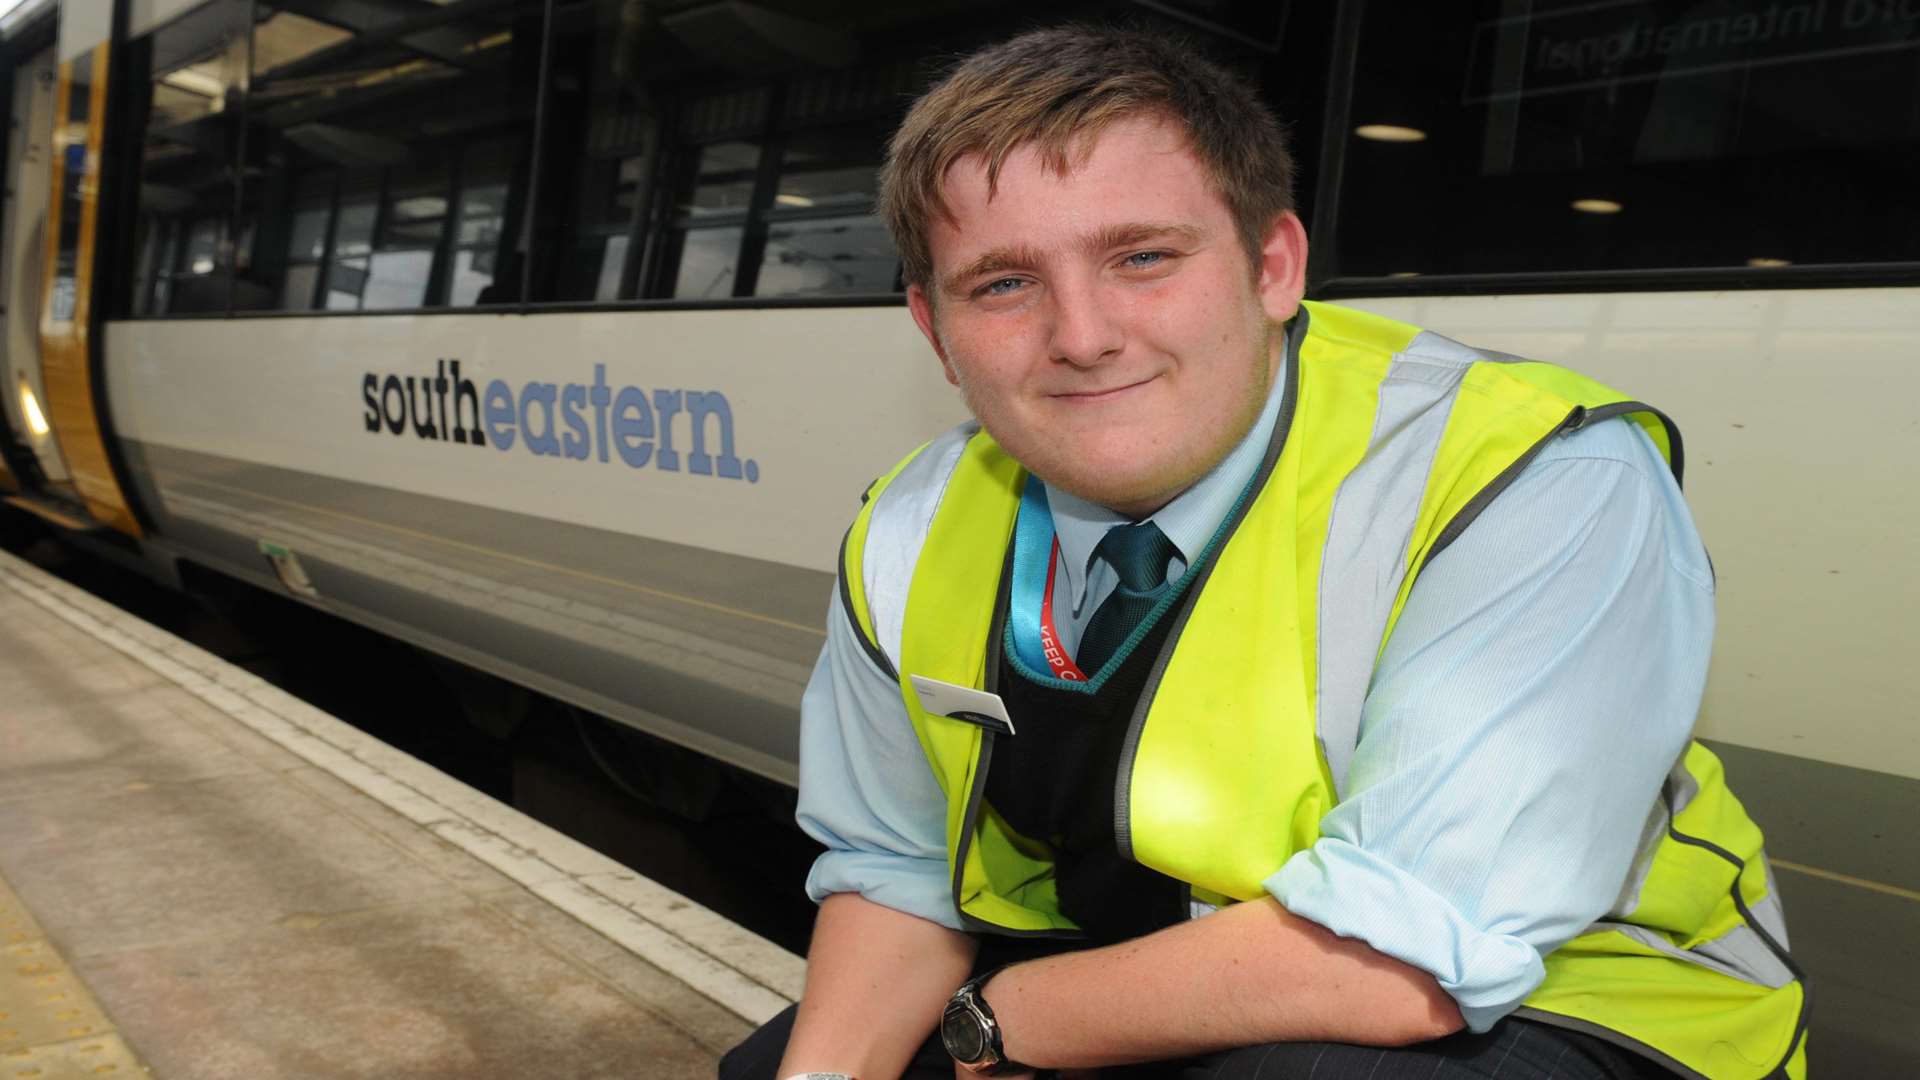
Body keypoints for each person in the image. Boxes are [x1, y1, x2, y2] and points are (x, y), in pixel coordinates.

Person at [720, 26, 1806, 1080]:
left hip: (1573, 996)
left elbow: (1404, 956)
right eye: (1003, 284)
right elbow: (898, 872)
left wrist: (1000, 1021)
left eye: (1142, 257)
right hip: (1168, 965)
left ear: (1274, 265)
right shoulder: (914, 524)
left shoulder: (1529, 473)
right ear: (933, 330)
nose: (1084, 333)